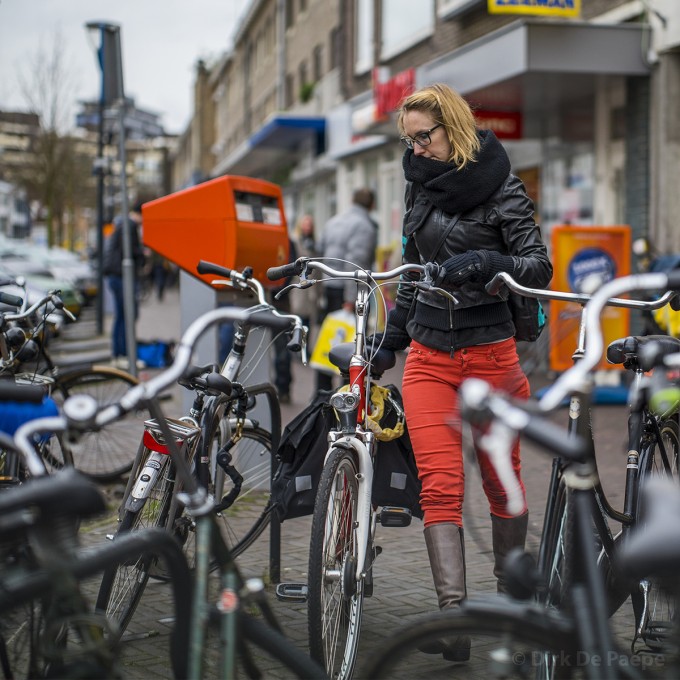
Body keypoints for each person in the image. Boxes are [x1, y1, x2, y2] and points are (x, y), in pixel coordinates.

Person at [375, 83, 553, 662]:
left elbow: (538, 265)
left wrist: (489, 263)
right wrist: (391, 341)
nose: (416, 149)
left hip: (491, 358)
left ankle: (514, 604)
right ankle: (451, 618)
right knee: (440, 487)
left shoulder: (502, 187)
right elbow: (411, 270)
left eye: (423, 137)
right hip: (428, 359)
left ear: (452, 127)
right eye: (409, 140)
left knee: (503, 484)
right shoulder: (418, 186)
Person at [316, 188, 378, 393]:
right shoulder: (364, 226)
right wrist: (352, 298)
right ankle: (349, 392)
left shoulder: (334, 221)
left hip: (330, 285)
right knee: (354, 343)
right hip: (349, 290)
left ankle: (322, 390)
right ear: (371, 205)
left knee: (330, 338)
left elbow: (321, 251)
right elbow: (356, 263)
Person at [273, 214, 320, 404]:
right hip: (288, 296)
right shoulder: (293, 242)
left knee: (283, 349)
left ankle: (284, 385)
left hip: (293, 297)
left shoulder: (304, 244)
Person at [102, 202, 146, 365]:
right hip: (121, 276)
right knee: (127, 315)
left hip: (116, 275)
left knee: (122, 315)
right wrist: (143, 255)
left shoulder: (123, 224)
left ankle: (120, 354)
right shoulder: (130, 225)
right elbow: (133, 251)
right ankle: (123, 355)